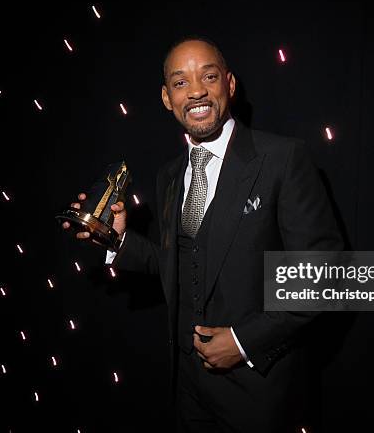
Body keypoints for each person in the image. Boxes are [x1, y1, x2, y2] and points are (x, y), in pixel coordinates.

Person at [62, 36, 343, 432]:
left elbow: (325, 277)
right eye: (180, 83)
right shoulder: (169, 175)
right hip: (186, 389)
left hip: (260, 394)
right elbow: (179, 263)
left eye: (208, 77)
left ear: (229, 84)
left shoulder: (283, 159)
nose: (196, 91)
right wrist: (116, 239)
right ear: (166, 97)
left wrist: (245, 342)